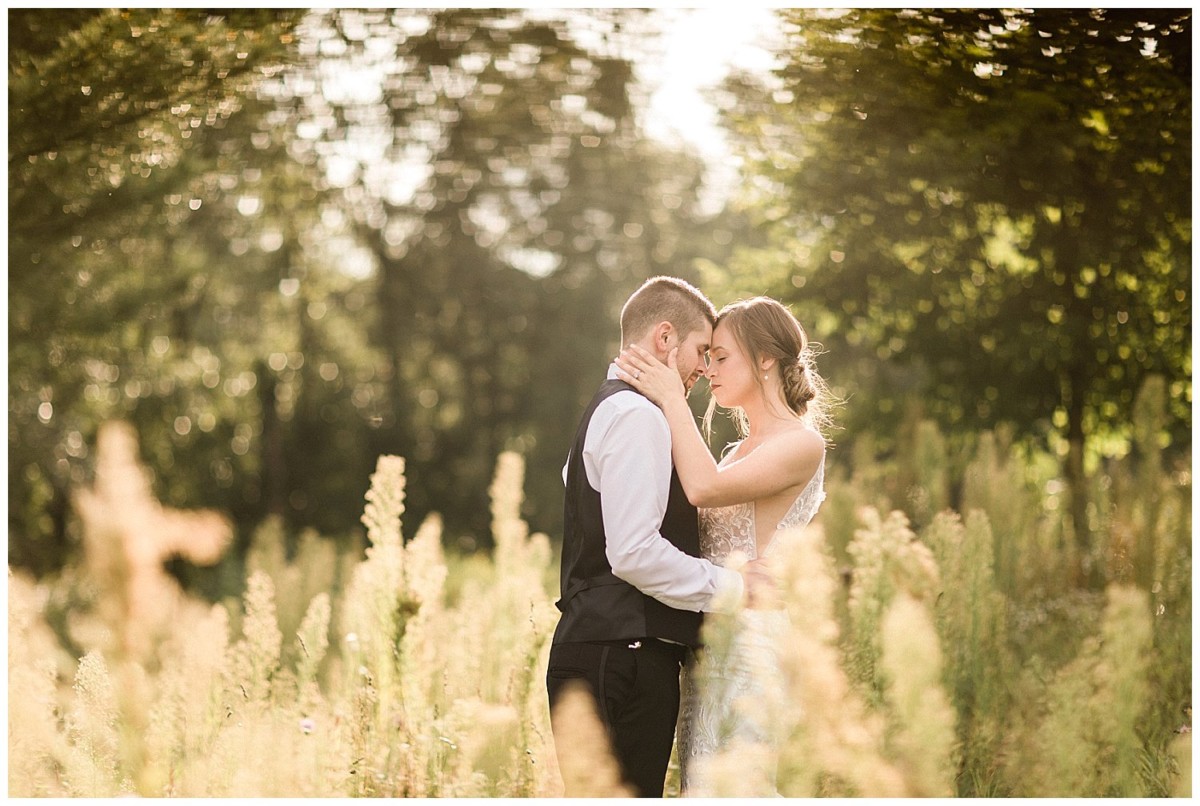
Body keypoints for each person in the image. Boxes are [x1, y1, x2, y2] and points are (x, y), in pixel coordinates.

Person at [546, 276, 770, 798]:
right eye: (699, 351)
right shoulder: (637, 416)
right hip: (622, 656)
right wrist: (735, 587)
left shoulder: (610, 407)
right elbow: (633, 553)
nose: (702, 369)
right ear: (664, 338)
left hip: (605, 651)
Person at [615, 295, 831, 796]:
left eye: (721, 357)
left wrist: (671, 397)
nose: (708, 369)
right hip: (710, 639)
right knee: (700, 782)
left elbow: (703, 489)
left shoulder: (802, 444)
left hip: (754, 641)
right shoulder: (735, 451)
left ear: (766, 359)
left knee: (735, 787)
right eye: (707, 357)